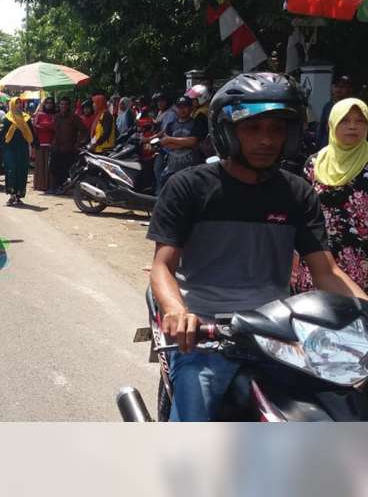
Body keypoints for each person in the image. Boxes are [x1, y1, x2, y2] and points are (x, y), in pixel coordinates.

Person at [147, 72, 368, 422]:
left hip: (278, 335)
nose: (267, 140)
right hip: (206, 333)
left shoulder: (297, 193)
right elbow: (162, 267)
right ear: (227, 131)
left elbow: (327, 272)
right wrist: (177, 311)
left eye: (277, 129)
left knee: (343, 406)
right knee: (194, 420)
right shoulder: (188, 187)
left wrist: (364, 313)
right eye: (253, 129)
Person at [294, 98, 368, 293]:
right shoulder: (314, 163)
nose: (352, 126)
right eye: (345, 120)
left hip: (362, 258)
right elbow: (302, 211)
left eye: (360, 121)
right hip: (320, 257)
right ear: (332, 124)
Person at [155, 95, 199, 192]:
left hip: (190, 167)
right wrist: (186, 143)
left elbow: (193, 142)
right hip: (172, 166)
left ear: (191, 108)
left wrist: (171, 139)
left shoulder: (195, 123)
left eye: (185, 106)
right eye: (180, 107)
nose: (182, 109)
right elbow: (165, 143)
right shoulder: (171, 125)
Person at [0, 96, 35, 205]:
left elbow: (31, 133)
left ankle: (19, 195)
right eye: (16, 103)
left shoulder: (26, 118)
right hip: (9, 148)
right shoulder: (7, 118)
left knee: (22, 170)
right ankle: (12, 194)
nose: (18, 105)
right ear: (12, 105)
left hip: (22, 148)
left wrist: (35, 145)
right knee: (11, 170)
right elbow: (2, 134)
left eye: (20, 103)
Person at [50, 95, 87, 192]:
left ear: (69, 106)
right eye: (62, 104)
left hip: (69, 148)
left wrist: (78, 143)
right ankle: (55, 187)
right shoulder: (56, 116)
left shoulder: (74, 117)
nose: (63, 106)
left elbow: (83, 130)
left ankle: (64, 187)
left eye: (65, 104)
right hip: (56, 147)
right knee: (54, 168)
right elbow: (51, 130)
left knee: (66, 170)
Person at [317, 75, 354, 149]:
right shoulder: (327, 106)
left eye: (343, 86)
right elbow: (322, 128)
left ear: (349, 89)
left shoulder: (353, 107)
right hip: (327, 145)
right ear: (331, 88)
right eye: (336, 86)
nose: (339, 89)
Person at [32, 96, 56, 191]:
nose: (49, 104)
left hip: (51, 144)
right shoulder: (39, 115)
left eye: (51, 103)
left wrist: (43, 126)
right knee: (40, 165)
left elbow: (55, 128)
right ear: (44, 104)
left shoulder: (55, 115)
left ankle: (48, 185)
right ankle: (39, 185)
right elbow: (35, 127)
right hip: (40, 143)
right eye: (47, 102)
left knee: (49, 166)